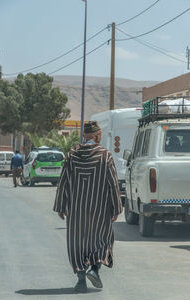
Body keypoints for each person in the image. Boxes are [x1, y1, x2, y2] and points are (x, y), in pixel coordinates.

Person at [53, 121, 123, 293]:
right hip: (100, 209)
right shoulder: (105, 156)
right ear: (98, 136)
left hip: (76, 210)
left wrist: (61, 206)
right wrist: (116, 208)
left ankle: (81, 280)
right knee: (102, 239)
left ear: (84, 136)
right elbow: (113, 184)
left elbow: (63, 183)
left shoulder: (72, 154)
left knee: (77, 242)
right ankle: (95, 269)